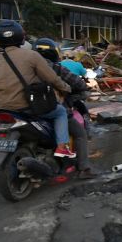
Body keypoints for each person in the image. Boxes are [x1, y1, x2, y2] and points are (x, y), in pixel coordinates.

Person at [0, 20, 75, 158]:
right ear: (20, 37)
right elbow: (51, 78)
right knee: (60, 112)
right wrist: (66, 88)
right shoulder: (32, 55)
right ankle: (61, 147)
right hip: (28, 107)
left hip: (3, 108)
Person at [35, 38, 95, 177]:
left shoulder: (27, 67)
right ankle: (84, 169)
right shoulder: (57, 67)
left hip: (28, 108)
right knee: (80, 134)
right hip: (50, 107)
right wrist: (83, 87)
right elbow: (77, 82)